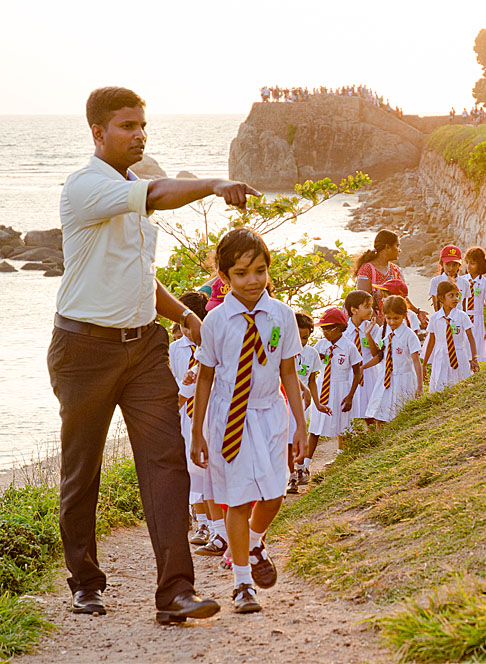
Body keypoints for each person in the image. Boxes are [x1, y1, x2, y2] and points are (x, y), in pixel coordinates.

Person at [49, 86, 261, 622]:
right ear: (97, 132)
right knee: (82, 468)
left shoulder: (134, 185)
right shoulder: (85, 186)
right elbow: (161, 194)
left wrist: (183, 315)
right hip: (83, 349)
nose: (139, 134)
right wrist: (213, 183)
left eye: (142, 124)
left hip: (143, 346)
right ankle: (85, 580)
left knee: (166, 462)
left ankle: (176, 592)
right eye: (126, 126)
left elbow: (138, 274)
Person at [189, 228, 308, 614]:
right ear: (225, 278)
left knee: (274, 495)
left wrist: (300, 424)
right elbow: (205, 377)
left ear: (268, 270)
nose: (252, 280)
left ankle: (255, 542)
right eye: (241, 273)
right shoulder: (217, 321)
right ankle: (242, 584)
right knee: (237, 500)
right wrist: (198, 432)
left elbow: (288, 372)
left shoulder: (282, 316)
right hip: (230, 418)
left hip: (270, 413)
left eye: (259, 270)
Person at [167, 291, 212, 544]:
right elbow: (175, 381)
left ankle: (215, 522)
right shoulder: (175, 349)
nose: (185, 331)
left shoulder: (211, 343)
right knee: (191, 466)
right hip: (186, 415)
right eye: (181, 326)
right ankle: (202, 523)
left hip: (209, 412)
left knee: (210, 465)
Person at [306, 308, 362, 457]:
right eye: (323, 329)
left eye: (327, 329)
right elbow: (312, 366)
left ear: (337, 328)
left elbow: (357, 372)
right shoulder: (321, 345)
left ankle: (341, 457)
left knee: (343, 426)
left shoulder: (349, 347)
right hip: (322, 387)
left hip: (341, 388)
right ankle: (304, 464)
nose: (324, 332)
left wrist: (350, 396)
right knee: (315, 426)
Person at [362, 295, 424, 424]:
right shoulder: (383, 332)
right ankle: (382, 441)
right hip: (385, 379)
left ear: (404, 315)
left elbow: (416, 362)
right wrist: (368, 335)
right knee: (379, 415)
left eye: (396, 318)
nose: (392, 322)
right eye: (388, 318)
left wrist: (420, 386)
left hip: (404, 379)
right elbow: (378, 356)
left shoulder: (409, 335)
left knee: (400, 415)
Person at [286, 312, 328, 494]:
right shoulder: (284, 352)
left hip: (304, 404)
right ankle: (291, 477)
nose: (301, 341)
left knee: (298, 440)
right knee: (287, 441)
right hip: (285, 401)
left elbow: (312, 381)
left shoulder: (311, 354)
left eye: (305, 337)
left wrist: (317, 404)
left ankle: (299, 469)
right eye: (298, 337)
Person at [355, 230, 427, 325]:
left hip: (394, 322)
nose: (399, 250)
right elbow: (362, 303)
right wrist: (381, 326)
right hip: (372, 325)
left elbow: (403, 297)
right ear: (387, 247)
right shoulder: (367, 269)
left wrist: (417, 312)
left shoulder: (396, 270)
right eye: (397, 246)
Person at [423, 281, 478, 392]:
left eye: (457, 295)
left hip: (459, 354)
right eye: (451, 295)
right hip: (441, 356)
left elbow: (471, 338)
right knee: (440, 385)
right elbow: (431, 341)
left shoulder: (462, 316)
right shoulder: (435, 318)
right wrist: (424, 363)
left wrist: (474, 359)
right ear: (441, 298)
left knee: (461, 385)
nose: (455, 298)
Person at [344, 290, 377, 427]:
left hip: (369, 373)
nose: (371, 310)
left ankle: (375, 442)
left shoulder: (374, 328)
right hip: (350, 376)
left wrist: (368, 335)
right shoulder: (344, 332)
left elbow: (376, 354)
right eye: (367, 306)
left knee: (371, 413)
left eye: (371, 306)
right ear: (354, 310)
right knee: (349, 414)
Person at [458, 247, 486, 360]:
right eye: (467, 263)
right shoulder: (462, 281)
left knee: (477, 344)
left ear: (480, 264)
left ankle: (476, 367)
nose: (469, 267)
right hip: (464, 316)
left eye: (472, 263)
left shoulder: (485, 283)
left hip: (478, 318)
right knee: (463, 344)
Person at [429, 245, 468, 311]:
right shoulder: (436, 281)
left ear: (459, 265)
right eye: (448, 264)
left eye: (454, 265)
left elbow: (464, 306)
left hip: (459, 319)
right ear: (442, 264)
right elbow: (436, 306)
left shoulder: (464, 283)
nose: (451, 268)